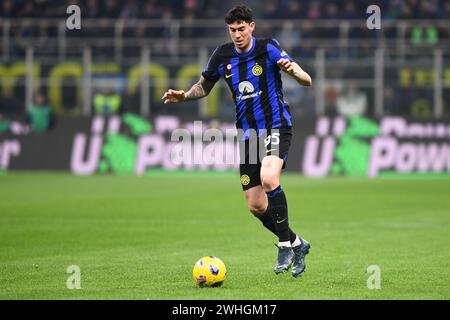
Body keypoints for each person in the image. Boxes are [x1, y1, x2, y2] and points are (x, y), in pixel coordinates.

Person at [161, 5, 312, 277]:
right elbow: (204, 87)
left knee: (269, 179)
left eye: (242, 29)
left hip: (276, 125)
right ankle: (297, 243)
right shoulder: (222, 55)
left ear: (252, 26)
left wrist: (294, 73)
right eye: (232, 30)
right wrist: (184, 96)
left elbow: (307, 80)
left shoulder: (268, 48)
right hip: (248, 135)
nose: (237, 35)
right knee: (255, 205)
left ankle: (284, 244)